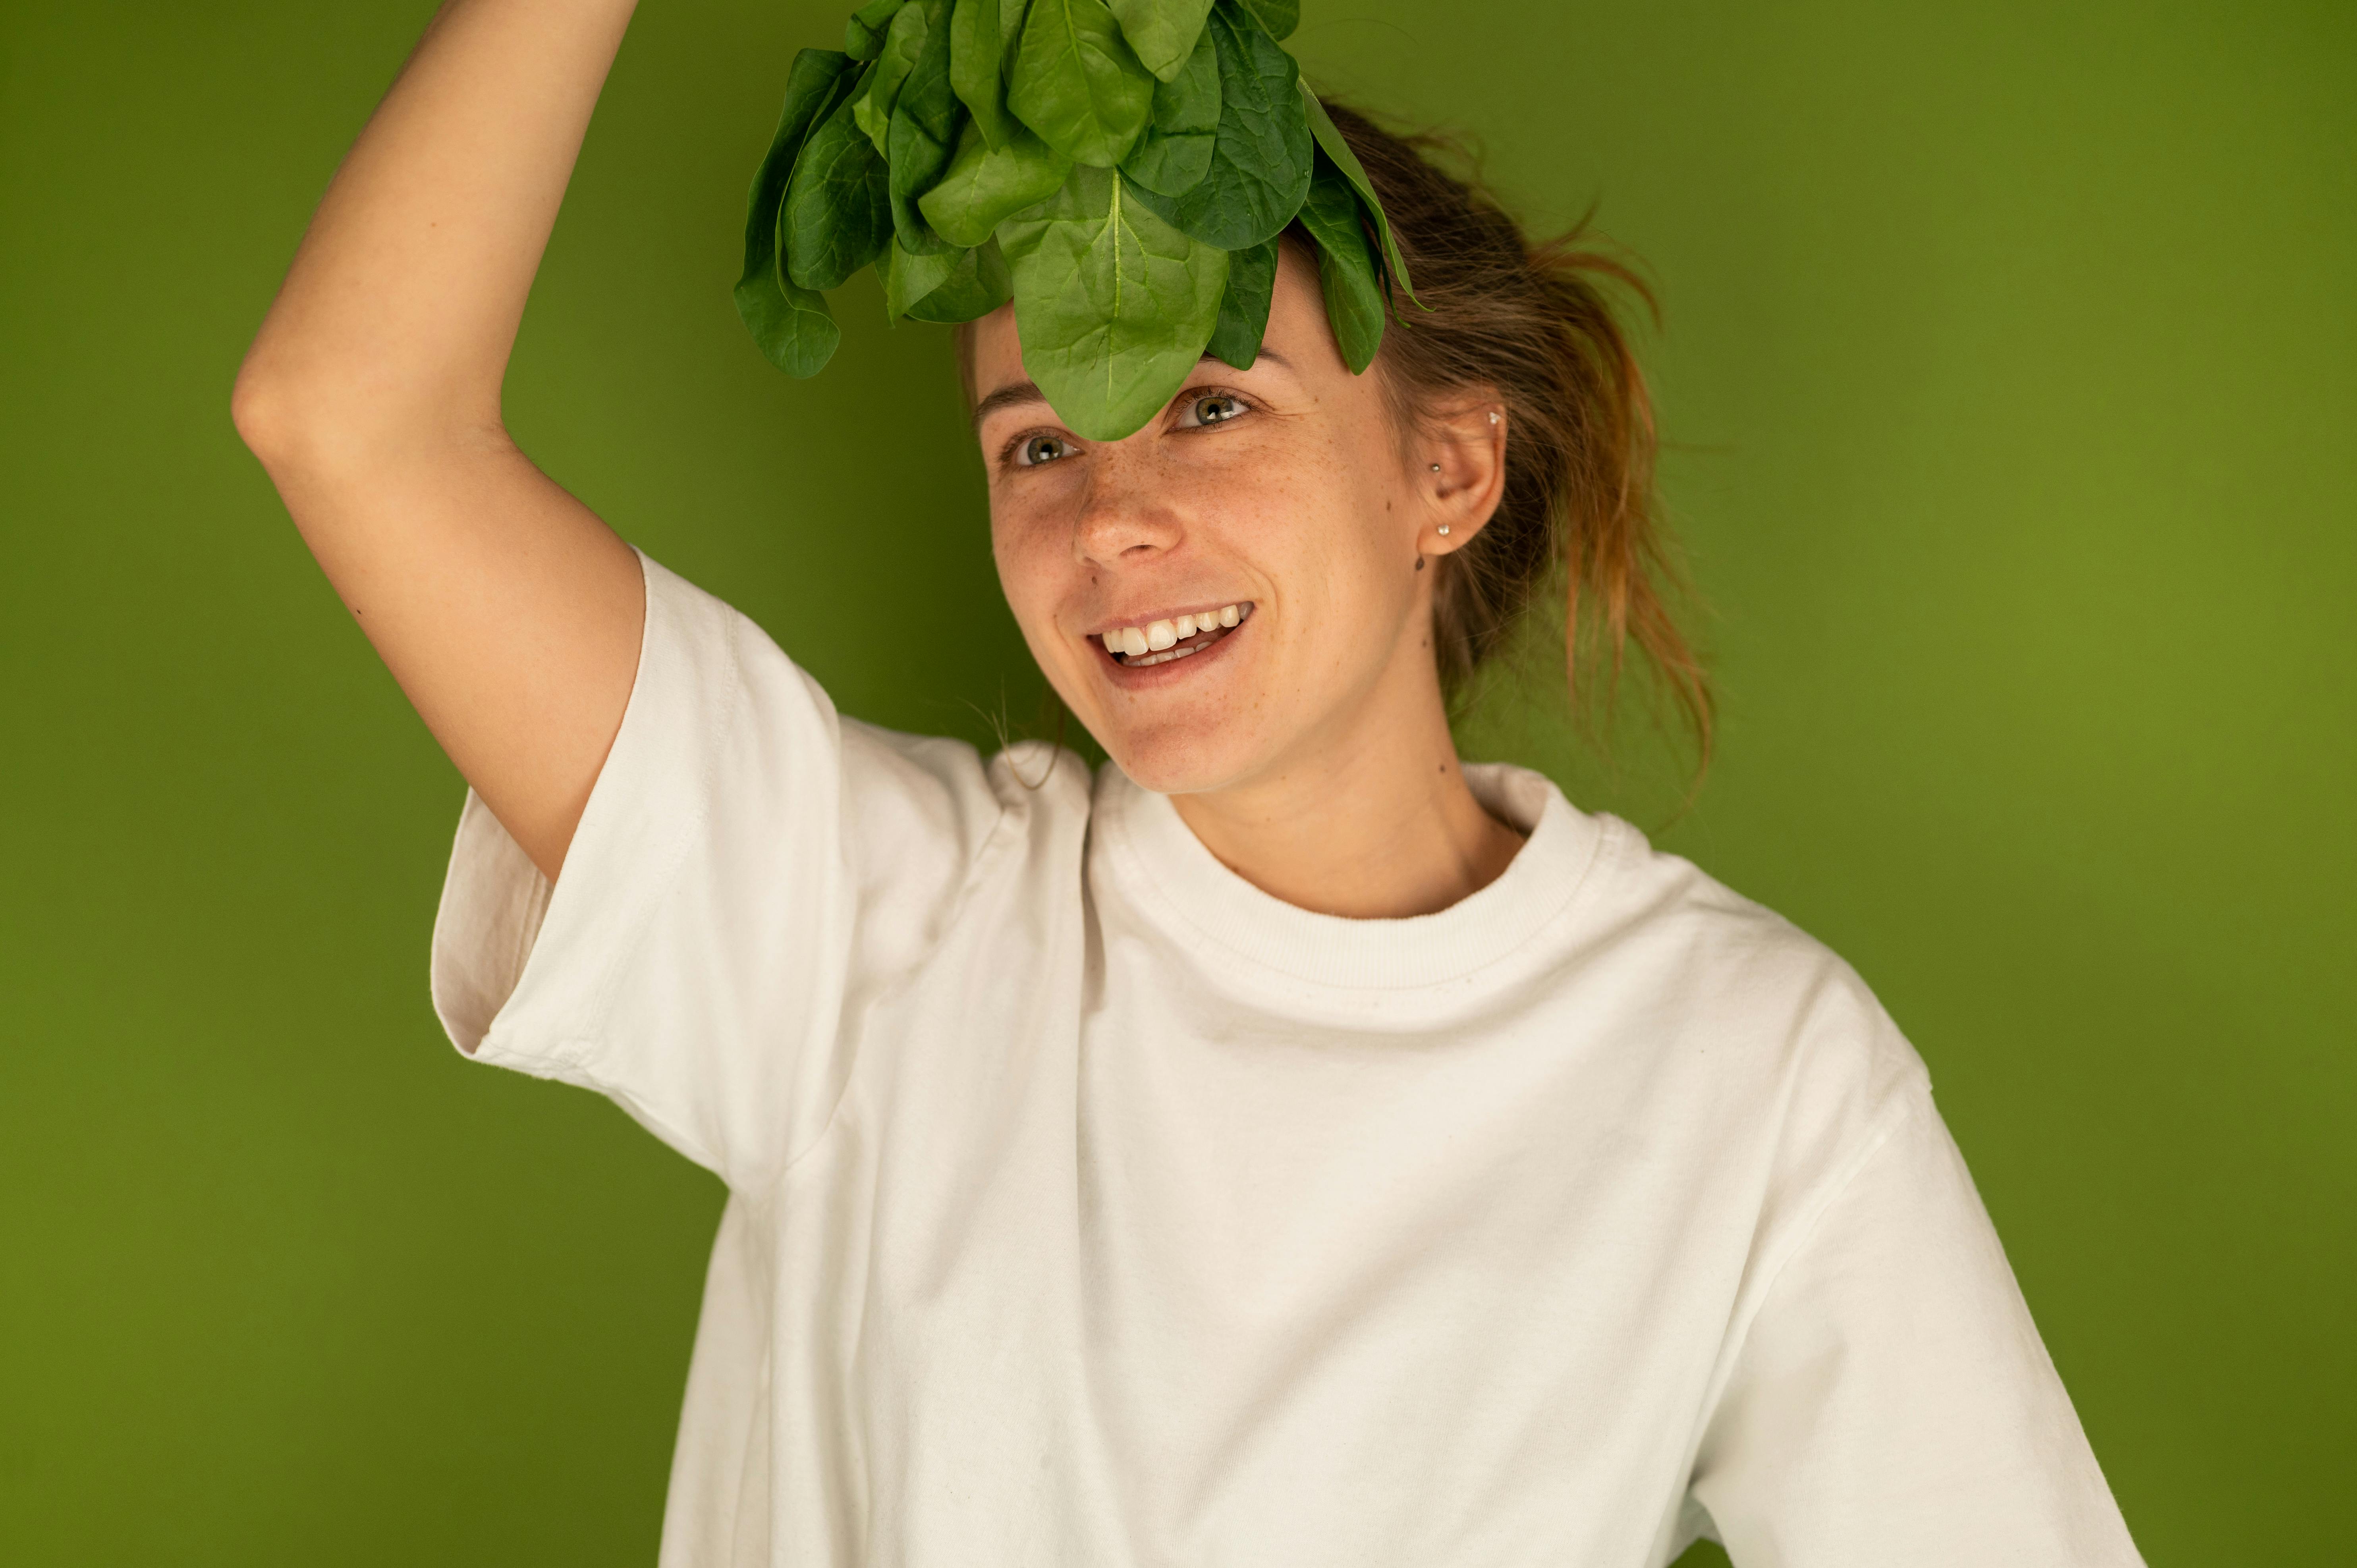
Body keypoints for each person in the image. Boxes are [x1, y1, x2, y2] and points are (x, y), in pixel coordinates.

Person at [232, 2, 2145, 1564]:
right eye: (1034, 442)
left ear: (1444, 476)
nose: (1112, 522)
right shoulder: (877, 926)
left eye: (1210, 406)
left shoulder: (1753, 1072)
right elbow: (347, 416)